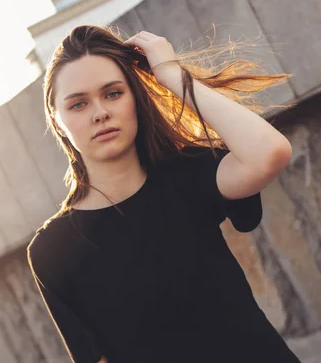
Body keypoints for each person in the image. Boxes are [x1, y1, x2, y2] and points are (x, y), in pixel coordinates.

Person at [27, 25, 300, 363]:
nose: (100, 113)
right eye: (78, 104)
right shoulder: (53, 250)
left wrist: (171, 73)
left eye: (113, 93)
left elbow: (269, 153)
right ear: (57, 120)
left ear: (135, 98)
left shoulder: (187, 175)